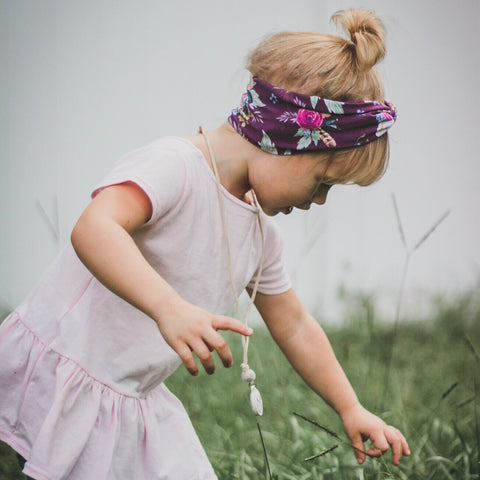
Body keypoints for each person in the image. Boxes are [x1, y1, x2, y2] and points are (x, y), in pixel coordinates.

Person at [0, 8, 410, 480]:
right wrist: (168, 307)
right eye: (322, 182)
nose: (318, 200)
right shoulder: (176, 166)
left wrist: (350, 407)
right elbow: (94, 229)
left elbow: (295, 325)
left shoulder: (260, 234)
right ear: (286, 139)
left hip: (133, 398)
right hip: (67, 372)